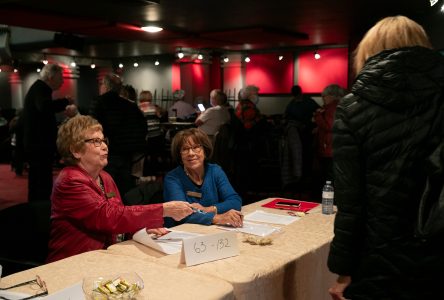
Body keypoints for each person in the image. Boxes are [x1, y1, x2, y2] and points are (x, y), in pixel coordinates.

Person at [328, 16, 444, 300]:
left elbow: (351, 203)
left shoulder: (353, 107)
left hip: (379, 258)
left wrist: (344, 271)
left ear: (369, 52)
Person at [47, 115, 193, 263]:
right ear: (75, 151)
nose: (105, 146)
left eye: (104, 140)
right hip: (72, 264)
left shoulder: (105, 177)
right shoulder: (69, 181)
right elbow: (108, 217)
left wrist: (139, 229)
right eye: (96, 141)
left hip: (103, 259)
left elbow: (118, 220)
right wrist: (162, 209)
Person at [163, 128, 243, 226]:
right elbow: (180, 213)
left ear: (205, 150)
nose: (191, 153)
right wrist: (218, 218)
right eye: (185, 149)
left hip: (210, 231)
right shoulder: (172, 178)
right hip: (181, 233)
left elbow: (235, 201)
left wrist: (208, 209)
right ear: (179, 155)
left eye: (196, 147)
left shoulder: (215, 171)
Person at [22, 63, 77, 202]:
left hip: (36, 144)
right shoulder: (41, 88)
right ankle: (39, 212)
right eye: (60, 77)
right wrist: (65, 101)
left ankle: (37, 211)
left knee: (38, 181)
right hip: (39, 145)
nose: (63, 81)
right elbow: (44, 107)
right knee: (41, 182)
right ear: (51, 77)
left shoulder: (38, 88)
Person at [89, 73, 147, 196]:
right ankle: (126, 208)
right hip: (128, 151)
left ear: (105, 86)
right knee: (125, 184)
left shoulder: (99, 102)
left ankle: (110, 209)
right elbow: (143, 126)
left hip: (108, 150)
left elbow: (91, 126)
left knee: (107, 184)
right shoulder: (129, 105)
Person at [283, 85, 320, 182]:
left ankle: (302, 177)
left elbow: (286, 117)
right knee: (306, 156)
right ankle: (306, 177)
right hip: (307, 133)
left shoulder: (292, 104)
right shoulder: (309, 101)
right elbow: (318, 111)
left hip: (302, 133)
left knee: (300, 156)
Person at [312, 84, 346, 186]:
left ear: (332, 96)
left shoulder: (332, 107)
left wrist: (317, 116)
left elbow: (330, 126)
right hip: (334, 148)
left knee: (328, 179)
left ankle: (328, 200)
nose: (323, 98)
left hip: (329, 149)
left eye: (324, 96)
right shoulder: (339, 106)